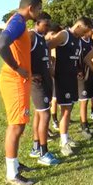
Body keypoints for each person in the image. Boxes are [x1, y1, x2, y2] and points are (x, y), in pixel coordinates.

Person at [0, 0, 42, 185]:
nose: (40, 12)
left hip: (18, 80)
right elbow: (0, 44)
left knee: (19, 124)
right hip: (14, 80)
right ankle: (12, 174)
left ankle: (14, 163)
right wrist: (16, 67)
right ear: (30, 8)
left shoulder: (16, 21)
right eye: (39, 8)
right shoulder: (18, 22)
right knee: (16, 126)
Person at [47, 17, 93, 156]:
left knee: (69, 109)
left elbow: (74, 57)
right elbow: (47, 47)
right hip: (63, 79)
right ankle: (63, 142)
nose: (84, 35)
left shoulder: (77, 39)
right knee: (66, 111)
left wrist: (78, 70)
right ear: (78, 26)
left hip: (73, 78)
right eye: (84, 31)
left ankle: (65, 136)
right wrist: (51, 66)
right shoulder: (64, 35)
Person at [28, 12, 60, 166]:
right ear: (37, 22)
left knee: (40, 114)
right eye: (45, 24)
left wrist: (51, 66)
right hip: (37, 83)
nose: (47, 27)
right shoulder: (31, 36)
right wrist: (30, 74)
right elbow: (17, 54)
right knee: (45, 115)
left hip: (46, 80)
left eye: (49, 25)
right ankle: (43, 152)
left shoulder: (42, 38)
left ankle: (35, 148)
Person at [77, 29, 93, 140]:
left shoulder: (91, 41)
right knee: (83, 101)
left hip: (91, 75)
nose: (92, 31)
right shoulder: (79, 42)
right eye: (90, 29)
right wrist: (78, 71)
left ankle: (84, 123)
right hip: (82, 76)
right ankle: (84, 126)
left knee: (88, 99)